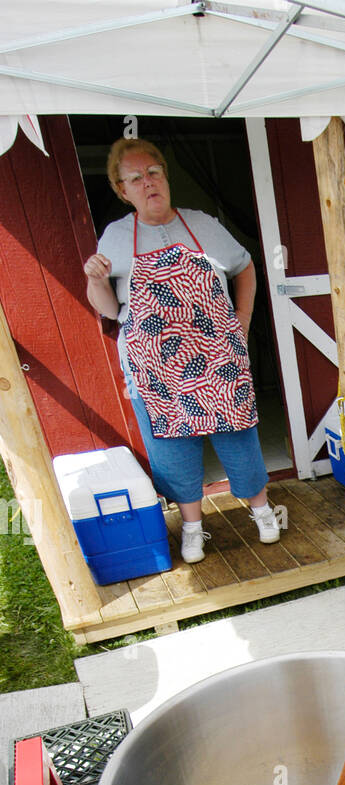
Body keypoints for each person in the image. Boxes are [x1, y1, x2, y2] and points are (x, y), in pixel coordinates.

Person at [83, 138, 280, 565]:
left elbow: (245, 266)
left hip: (218, 362)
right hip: (156, 373)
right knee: (173, 453)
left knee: (238, 440)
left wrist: (241, 323)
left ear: (165, 176)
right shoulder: (116, 238)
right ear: (122, 189)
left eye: (153, 172)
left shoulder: (203, 225)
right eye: (135, 178)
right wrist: (95, 279)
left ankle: (262, 511)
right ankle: (193, 527)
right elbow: (111, 310)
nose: (147, 182)